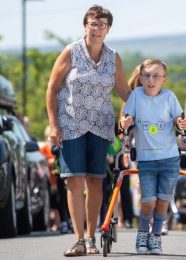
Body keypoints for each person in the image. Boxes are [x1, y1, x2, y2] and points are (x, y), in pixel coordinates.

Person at [46, 5, 130, 256]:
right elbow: (52, 89)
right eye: (92, 24)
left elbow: (124, 91)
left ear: (108, 29)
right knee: (73, 181)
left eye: (101, 25)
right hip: (70, 123)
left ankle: (92, 238)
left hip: (101, 125)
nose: (96, 29)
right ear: (85, 26)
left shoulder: (113, 57)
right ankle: (78, 239)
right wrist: (53, 123)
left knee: (96, 181)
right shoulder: (71, 52)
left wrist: (150, 103)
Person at [120, 59, 186, 255]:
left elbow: (178, 119)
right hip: (146, 158)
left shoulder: (169, 97)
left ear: (164, 79)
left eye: (156, 76)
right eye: (147, 75)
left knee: (163, 201)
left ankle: (156, 237)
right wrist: (127, 122)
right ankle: (143, 233)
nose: (151, 80)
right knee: (148, 200)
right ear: (141, 78)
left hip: (169, 158)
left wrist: (181, 123)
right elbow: (128, 118)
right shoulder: (136, 96)